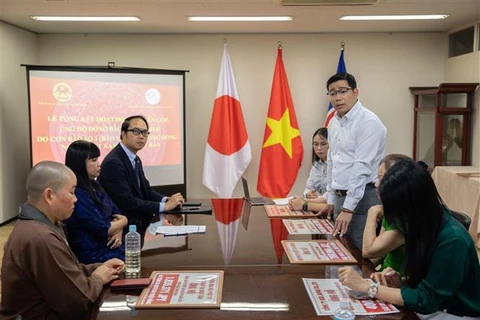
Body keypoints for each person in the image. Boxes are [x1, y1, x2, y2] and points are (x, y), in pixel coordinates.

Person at [339, 160, 480, 319]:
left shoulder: (452, 239)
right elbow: (431, 280)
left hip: (456, 313)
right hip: (437, 306)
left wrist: (368, 287)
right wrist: (402, 282)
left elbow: (427, 300)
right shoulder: (424, 222)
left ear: (411, 206)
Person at [0, 161, 124, 320]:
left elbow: (68, 271)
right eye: (72, 192)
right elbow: (79, 300)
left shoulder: (44, 225)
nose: (76, 200)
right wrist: (98, 278)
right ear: (49, 195)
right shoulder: (41, 237)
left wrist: (99, 268)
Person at [318, 72, 387, 250]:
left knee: (357, 254)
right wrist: (331, 200)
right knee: (338, 251)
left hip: (362, 197)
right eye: (333, 93)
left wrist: (348, 209)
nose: (338, 97)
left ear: (355, 92)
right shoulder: (333, 121)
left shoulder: (369, 122)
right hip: (341, 197)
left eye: (343, 91)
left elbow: (361, 168)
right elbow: (332, 162)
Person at [98, 115, 184, 244]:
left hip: (137, 226)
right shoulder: (114, 162)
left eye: (145, 132)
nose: (141, 136)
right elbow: (127, 202)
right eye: (136, 131)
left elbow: (146, 191)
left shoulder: (135, 158)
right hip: (122, 230)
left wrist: (167, 200)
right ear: (123, 134)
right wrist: (165, 206)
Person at [64, 140, 128, 264]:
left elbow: (115, 211)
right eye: (94, 160)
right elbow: (102, 229)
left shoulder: (94, 184)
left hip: (110, 247)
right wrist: (124, 221)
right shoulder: (77, 193)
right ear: (80, 164)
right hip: (94, 256)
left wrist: (118, 231)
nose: (99, 164)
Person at [362, 154, 412, 275]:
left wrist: (372, 212)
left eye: (381, 179)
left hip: (395, 284)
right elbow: (378, 254)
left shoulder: (405, 218)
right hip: (381, 274)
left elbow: (368, 251)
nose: (376, 184)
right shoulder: (392, 208)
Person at [304, 127, 329, 200]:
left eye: (323, 144)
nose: (319, 148)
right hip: (316, 204)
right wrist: (308, 194)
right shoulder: (316, 165)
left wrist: (318, 198)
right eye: (316, 144)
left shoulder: (337, 166)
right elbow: (307, 188)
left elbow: (332, 194)